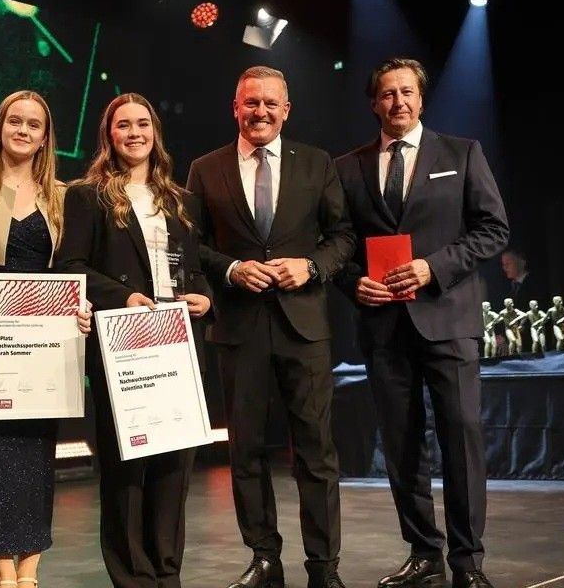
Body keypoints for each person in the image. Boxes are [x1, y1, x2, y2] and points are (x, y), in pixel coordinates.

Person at [334, 57, 509, 588]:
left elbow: (492, 229)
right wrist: (351, 281)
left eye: (407, 92)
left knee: (461, 440)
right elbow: (337, 246)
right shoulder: (347, 167)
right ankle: (423, 553)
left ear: (421, 98)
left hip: (449, 321)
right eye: (387, 94)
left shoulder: (461, 153)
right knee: (402, 445)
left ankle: (467, 562)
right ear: (374, 103)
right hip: (384, 327)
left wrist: (435, 267)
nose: (398, 102)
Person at [185, 66, 354, 588]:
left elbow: (343, 237)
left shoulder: (317, 163)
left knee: (316, 453)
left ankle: (324, 568)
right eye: (250, 103)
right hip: (238, 328)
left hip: (304, 326)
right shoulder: (205, 168)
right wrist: (231, 270)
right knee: (246, 451)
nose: (260, 112)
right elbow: (192, 246)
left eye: (270, 103)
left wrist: (313, 266)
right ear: (235, 108)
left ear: (287, 110)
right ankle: (264, 559)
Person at [55, 93, 214, 588]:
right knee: (128, 467)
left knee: (174, 466)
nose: (134, 133)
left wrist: (206, 298)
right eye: (123, 125)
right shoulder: (87, 195)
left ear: (155, 132)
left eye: (142, 124)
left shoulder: (181, 200)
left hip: (178, 342)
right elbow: (71, 266)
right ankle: (132, 577)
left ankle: (167, 573)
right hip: (123, 344)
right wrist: (124, 297)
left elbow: (194, 267)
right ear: (109, 135)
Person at [0, 90, 91, 588]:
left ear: (46, 135)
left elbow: (72, 269)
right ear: (0, 126)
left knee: (36, 448)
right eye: (15, 121)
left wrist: (81, 305)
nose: (24, 130)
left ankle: (30, 572)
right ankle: (3, 574)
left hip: (45, 337)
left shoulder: (63, 193)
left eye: (34, 124)